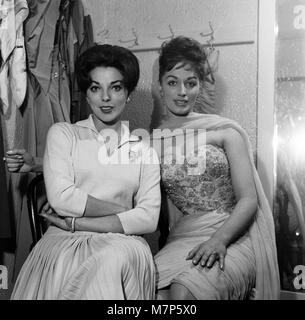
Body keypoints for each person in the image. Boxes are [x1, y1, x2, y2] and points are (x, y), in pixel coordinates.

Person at [10, 44, 161, 300]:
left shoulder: (144, 150)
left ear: (129, 94)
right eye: (95, 88)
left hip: (118, 242)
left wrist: (76, 222)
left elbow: (148, 220)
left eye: (115, 87)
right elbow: (61, 199)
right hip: (65, 241)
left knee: (113, 258)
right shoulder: (64, 134)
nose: (105, 98)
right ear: (86, 93)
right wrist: (125, 212)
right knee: (105, 260)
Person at [151, 36, 280, 300]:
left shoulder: (225, 131)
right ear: (160, 85)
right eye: (173, 82)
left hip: (232, 235)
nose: (182, 92)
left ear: (200, 85)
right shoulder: (152, 142)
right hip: (184, 237)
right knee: (150, 292)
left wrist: (219, 240)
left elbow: (248, 199)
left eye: (191, 83)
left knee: (183, 292)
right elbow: (130, 196)